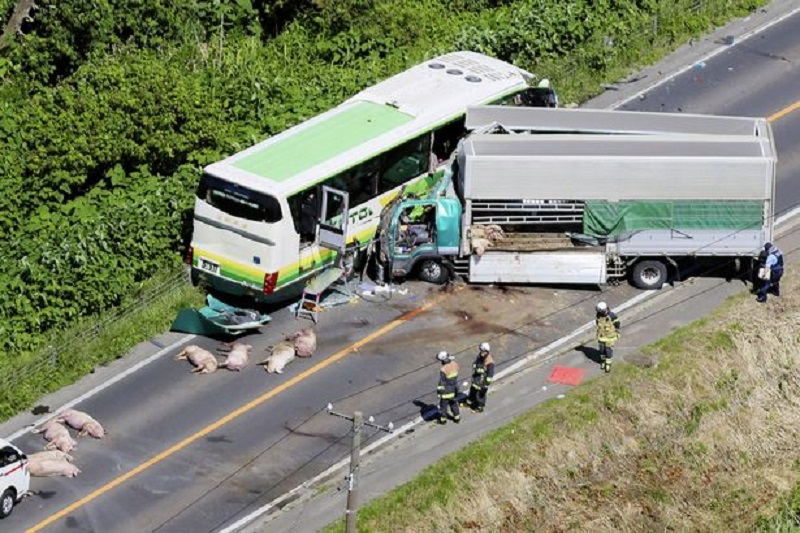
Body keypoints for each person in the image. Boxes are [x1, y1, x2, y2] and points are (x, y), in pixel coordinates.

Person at [466, 342, 495, 413]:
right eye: (480, 350)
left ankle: (480, 407)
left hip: (482, 381)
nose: (481, 352)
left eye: (482, 351)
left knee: (480, 394)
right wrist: (475, 366)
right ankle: (469, 401)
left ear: (486, 351)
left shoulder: (490, 362)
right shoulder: (481, 356)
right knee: (472, 390)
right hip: (476, 378)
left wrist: (486, 385)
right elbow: (476, 363)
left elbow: (490, 376)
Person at [435, 351, 460, 424]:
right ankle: (457, 418)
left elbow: (442, 383)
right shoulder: (455, 364)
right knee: (454, 404)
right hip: (454, 389)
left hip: (446, 392)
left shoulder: (443, 369)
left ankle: (443, 420)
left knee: (443, 406)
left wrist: (439, 393)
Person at [595, 302, 620, 373]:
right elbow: (597, 323)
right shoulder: (598, 315)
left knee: (608, 351)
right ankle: (602, 362)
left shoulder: (612, 316)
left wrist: (616, 331)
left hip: (610, 337)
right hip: (601, 336)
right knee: (602, 351)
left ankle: (608, 364)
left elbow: (617, 324)